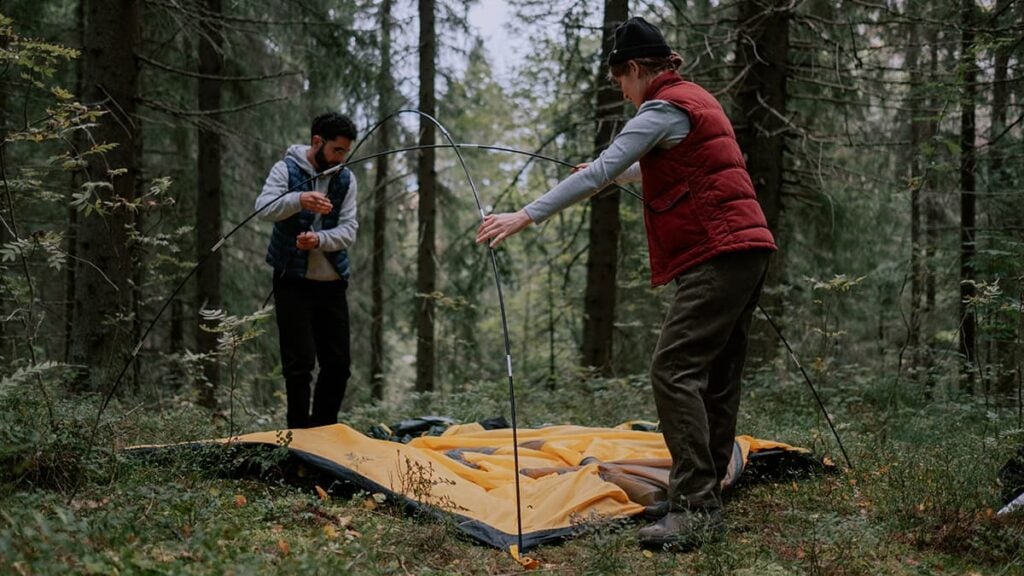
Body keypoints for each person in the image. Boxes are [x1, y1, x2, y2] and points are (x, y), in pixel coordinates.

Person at [475, 17, 776, 549]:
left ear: (635, 69)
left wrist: (523, 215)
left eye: (621, 81)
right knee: (717, 373)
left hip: (719, 250)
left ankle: (696, 509)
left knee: (674, 368)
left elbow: (597, 174)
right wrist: (614, 168)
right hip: (747, 248)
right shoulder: (693, 100)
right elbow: (662, 163)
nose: (623, 90)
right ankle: (701, 493)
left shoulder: (660, 107)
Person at [256, 112, 359, 429]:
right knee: (299, 364)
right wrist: (299, 198)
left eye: (345, 152)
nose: (341, 158)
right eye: (336, 150)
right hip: (292, 281)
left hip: (331, 284)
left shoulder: (346, 179)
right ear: (317, 142)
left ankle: (324, 431)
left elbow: (349, 230)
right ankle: (299, 437)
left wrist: (319, 239)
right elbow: (263, 208)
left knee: (338, 364)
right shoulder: (285, 169)